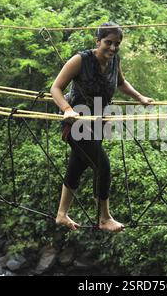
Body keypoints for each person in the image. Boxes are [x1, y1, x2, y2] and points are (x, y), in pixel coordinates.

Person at [50, 22, 153, 232]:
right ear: (97, 41)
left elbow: (121, 83)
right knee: (102, 166)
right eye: (108, 43)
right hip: (77, 123)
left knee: (77, 166)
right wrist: (67, 109)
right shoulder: (80, 60)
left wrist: (139, 97)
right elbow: (56, 87)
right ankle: (104, 218)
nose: (113, 48)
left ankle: (61, 214)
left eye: (117, 44)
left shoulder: (114, 60)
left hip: (98, 122)